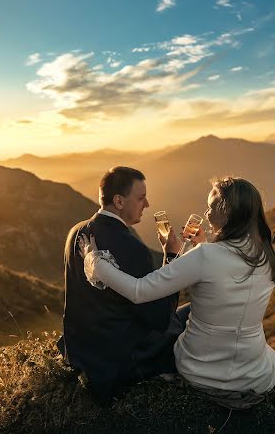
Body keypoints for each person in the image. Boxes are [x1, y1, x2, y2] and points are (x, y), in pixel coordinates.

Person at [83, 176, 275, 407]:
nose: (207, 213)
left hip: (201, 371)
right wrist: (201, 247)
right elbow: (225, 284)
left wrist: (97, 264)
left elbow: (138, 291)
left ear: (227, 211)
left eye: (211, 207)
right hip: (253, 372)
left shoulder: (204, 256)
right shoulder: (265, 256)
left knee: (170, 319)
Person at [57, 166, 187, 404]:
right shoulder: (131, 247)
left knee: (182, 313)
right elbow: (159, 319)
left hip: (82, 351)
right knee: (189, 314)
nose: (146, 204)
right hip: (119, 359)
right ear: (118, 201)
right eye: (141, 198)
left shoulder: (75, 233)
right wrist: (172, 257)